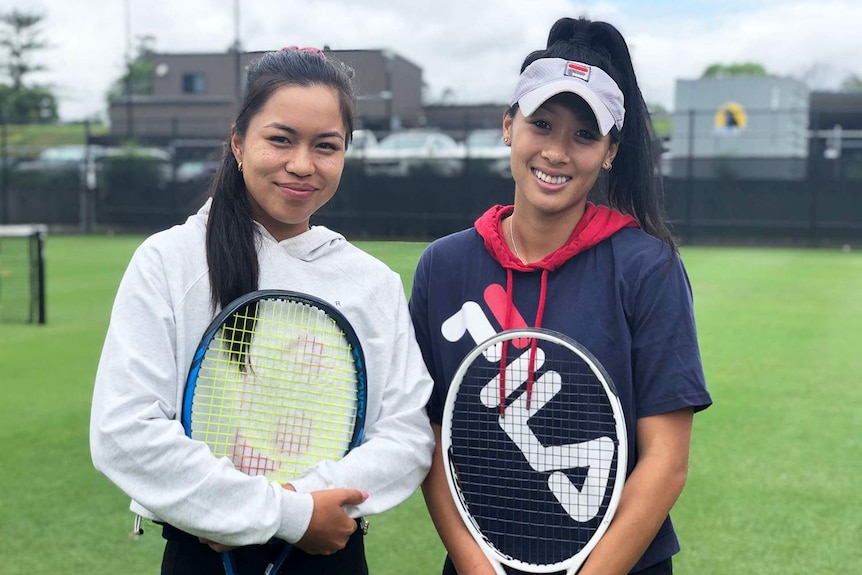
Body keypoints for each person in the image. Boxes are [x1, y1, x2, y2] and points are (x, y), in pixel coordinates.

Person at [90, 46, 434, 575]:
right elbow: (124, 432)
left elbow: (408, 438)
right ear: (238, 142)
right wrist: (287, 513)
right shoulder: (169, 261)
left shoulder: (372, 284)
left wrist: (303, 504)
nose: (302, 164)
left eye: (326, 146)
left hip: (331, 553)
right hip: (201, 557)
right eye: (280, 139)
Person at [409, 17, 712, 575]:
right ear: (508, 126)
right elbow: (430, 436)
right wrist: (475, 566)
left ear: (610, 152)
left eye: (584, 135)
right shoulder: (443, 267)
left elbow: (666, 463)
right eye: (542, 124)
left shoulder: (648, 269)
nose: (556, 151)